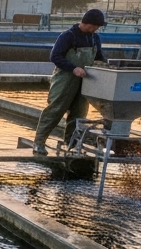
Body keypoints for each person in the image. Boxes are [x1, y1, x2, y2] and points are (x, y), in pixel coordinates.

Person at [32, 8, 107, 155]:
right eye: (95, 26)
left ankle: (71, 143)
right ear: (86, 23)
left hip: (84, 80)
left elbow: (99, 57)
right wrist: (73, 68)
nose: (96, 29)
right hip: (65, 78)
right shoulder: (68, 36)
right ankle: (39, 142)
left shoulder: (94, 38)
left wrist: (106, 64)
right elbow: (55, 56)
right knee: (55, 109)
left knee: (79, 113)